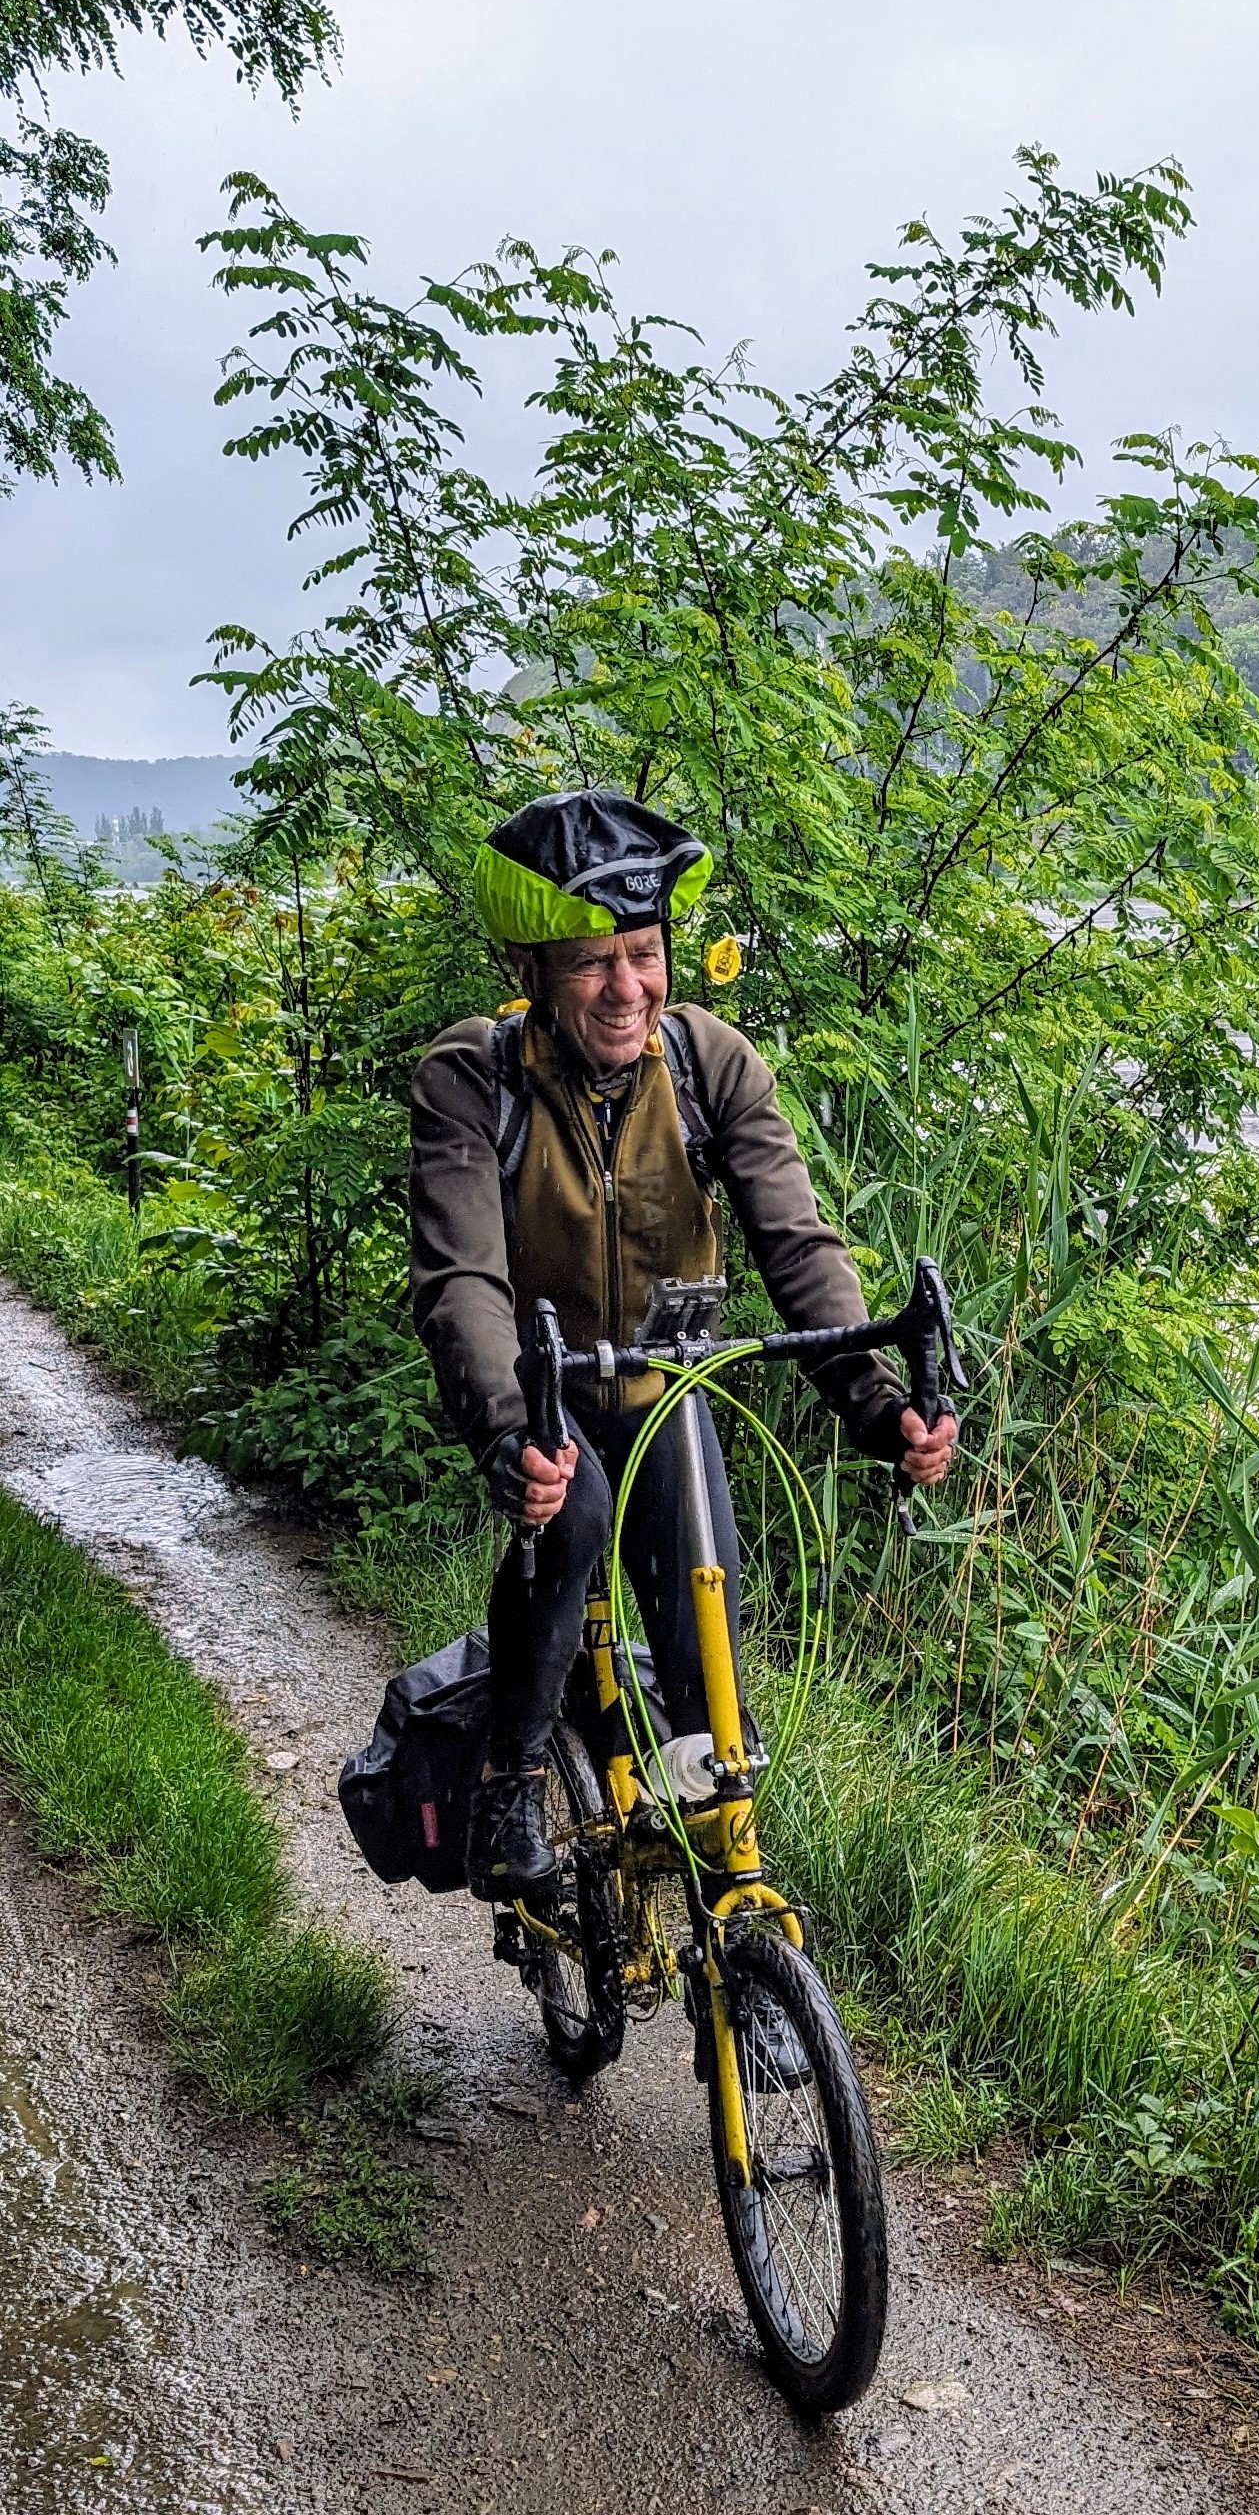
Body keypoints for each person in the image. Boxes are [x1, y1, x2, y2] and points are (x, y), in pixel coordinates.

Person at [408, 790, 957, 1897]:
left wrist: (877, 1399)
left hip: (664, 1384)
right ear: (535, 969)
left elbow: (796, 1242)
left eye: (646, 954)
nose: (627, 988)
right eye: (593, 961)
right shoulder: (470, 1078)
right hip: (543, 1391)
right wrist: (513, 1432)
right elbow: (462, 1277)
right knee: (573, 1518)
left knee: (709, 1633)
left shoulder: (711, 1064)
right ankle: (512, 1774)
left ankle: (737, 1939)